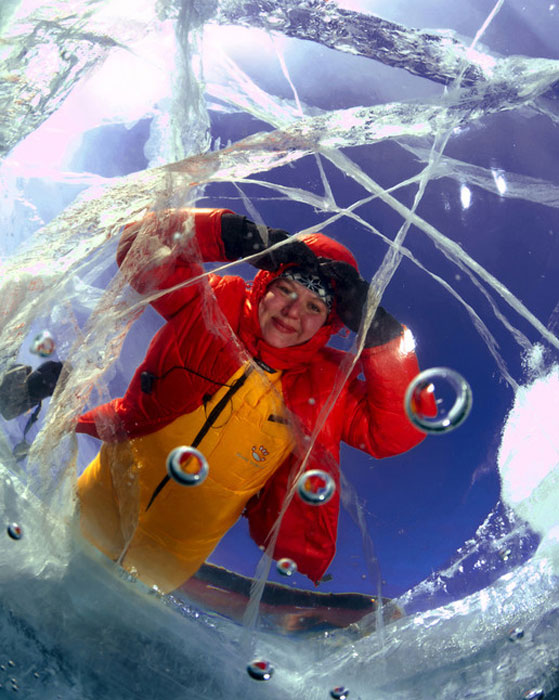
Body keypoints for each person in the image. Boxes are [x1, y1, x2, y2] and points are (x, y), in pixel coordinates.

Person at [68, 208, 430, 594]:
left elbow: (398, 431)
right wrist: (238, 236)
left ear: (329, 325)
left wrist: (381, 334)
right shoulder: (209, 307)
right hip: (93, 503)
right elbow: (137, 247)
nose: (293, 312)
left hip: (167, 558)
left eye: (314, 307)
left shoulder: (325, 388)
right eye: (287, 290)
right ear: (265, 281)